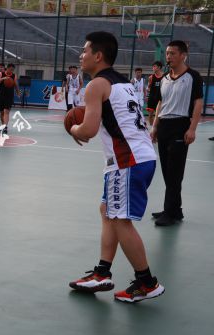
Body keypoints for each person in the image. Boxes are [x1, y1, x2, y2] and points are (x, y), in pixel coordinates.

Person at [68, 31, 164, 303]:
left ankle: (147, 282)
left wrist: (73, 128)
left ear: (98, 56)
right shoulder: (123, 82)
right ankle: (102, 272)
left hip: (127, 160)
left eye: (85, 51)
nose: (81, 55)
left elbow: (88, 130)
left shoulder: (96, 85)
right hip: (140, 156)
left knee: (121, 221)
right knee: (107, 210)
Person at [151, 40, 203, 226]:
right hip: (164, 126)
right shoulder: (165, 77)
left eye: (172, 53)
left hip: (180, 125)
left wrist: (192, 128)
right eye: (167, 53)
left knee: (175, 171)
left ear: (183, 55)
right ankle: (175, 209)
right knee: (167, 170)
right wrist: (155, 126)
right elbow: (160, 103)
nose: (168, 57)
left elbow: (198, 102)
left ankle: (169, 212)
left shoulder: (193, 76)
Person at [0, 63, 20, 135]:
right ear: (7, 68)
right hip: (1, 95)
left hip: (9, 96)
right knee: (2, 112)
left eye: (13, 70)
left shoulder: (14, 75)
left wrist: (18, 93)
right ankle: (3, 125)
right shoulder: (1, 73)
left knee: (6, 111)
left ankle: (5, 127)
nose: (11, 71)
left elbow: (16, 85)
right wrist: (3, 78)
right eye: (10, 69)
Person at [146, 61, 164, 126]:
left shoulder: (165, 77)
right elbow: (148, 88)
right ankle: (151, 128)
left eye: (154, 66)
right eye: (153, 66)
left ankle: (158, 129)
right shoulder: (151, 77)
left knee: (159, 116)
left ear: (159, 67)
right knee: (150, 116)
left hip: (160, 99)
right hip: (152, 98)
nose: (153, 68)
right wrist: (147, 96)